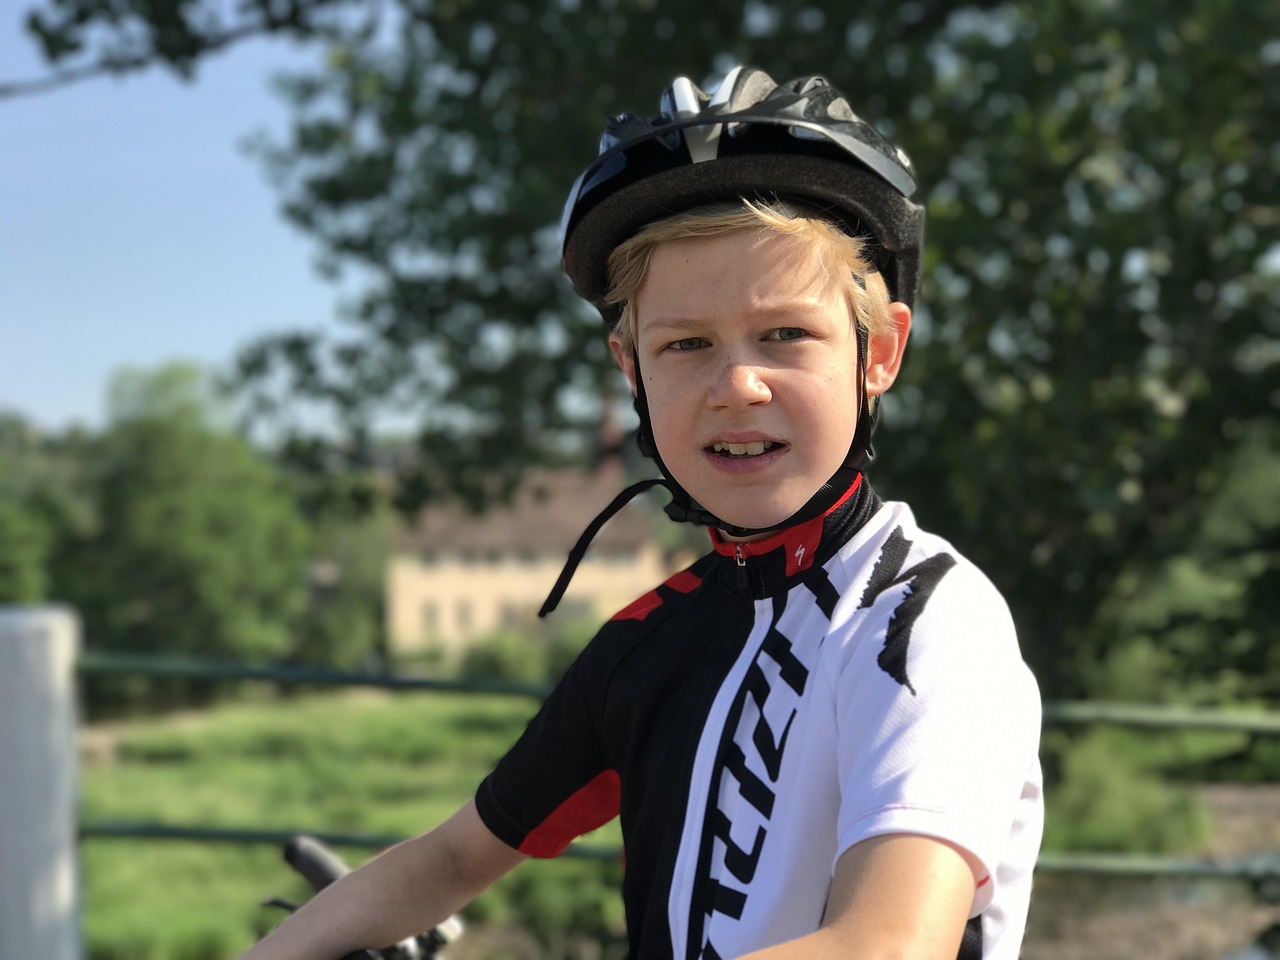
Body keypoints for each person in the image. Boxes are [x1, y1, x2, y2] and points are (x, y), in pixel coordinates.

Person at [242, 66, 1044, 960]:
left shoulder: (923, 620)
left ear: (880, 352)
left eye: (785, 334)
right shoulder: (650, 642)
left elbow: (885, 947)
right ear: (632, 371)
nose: (737, 384)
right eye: (687, 344)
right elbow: (453, 857)